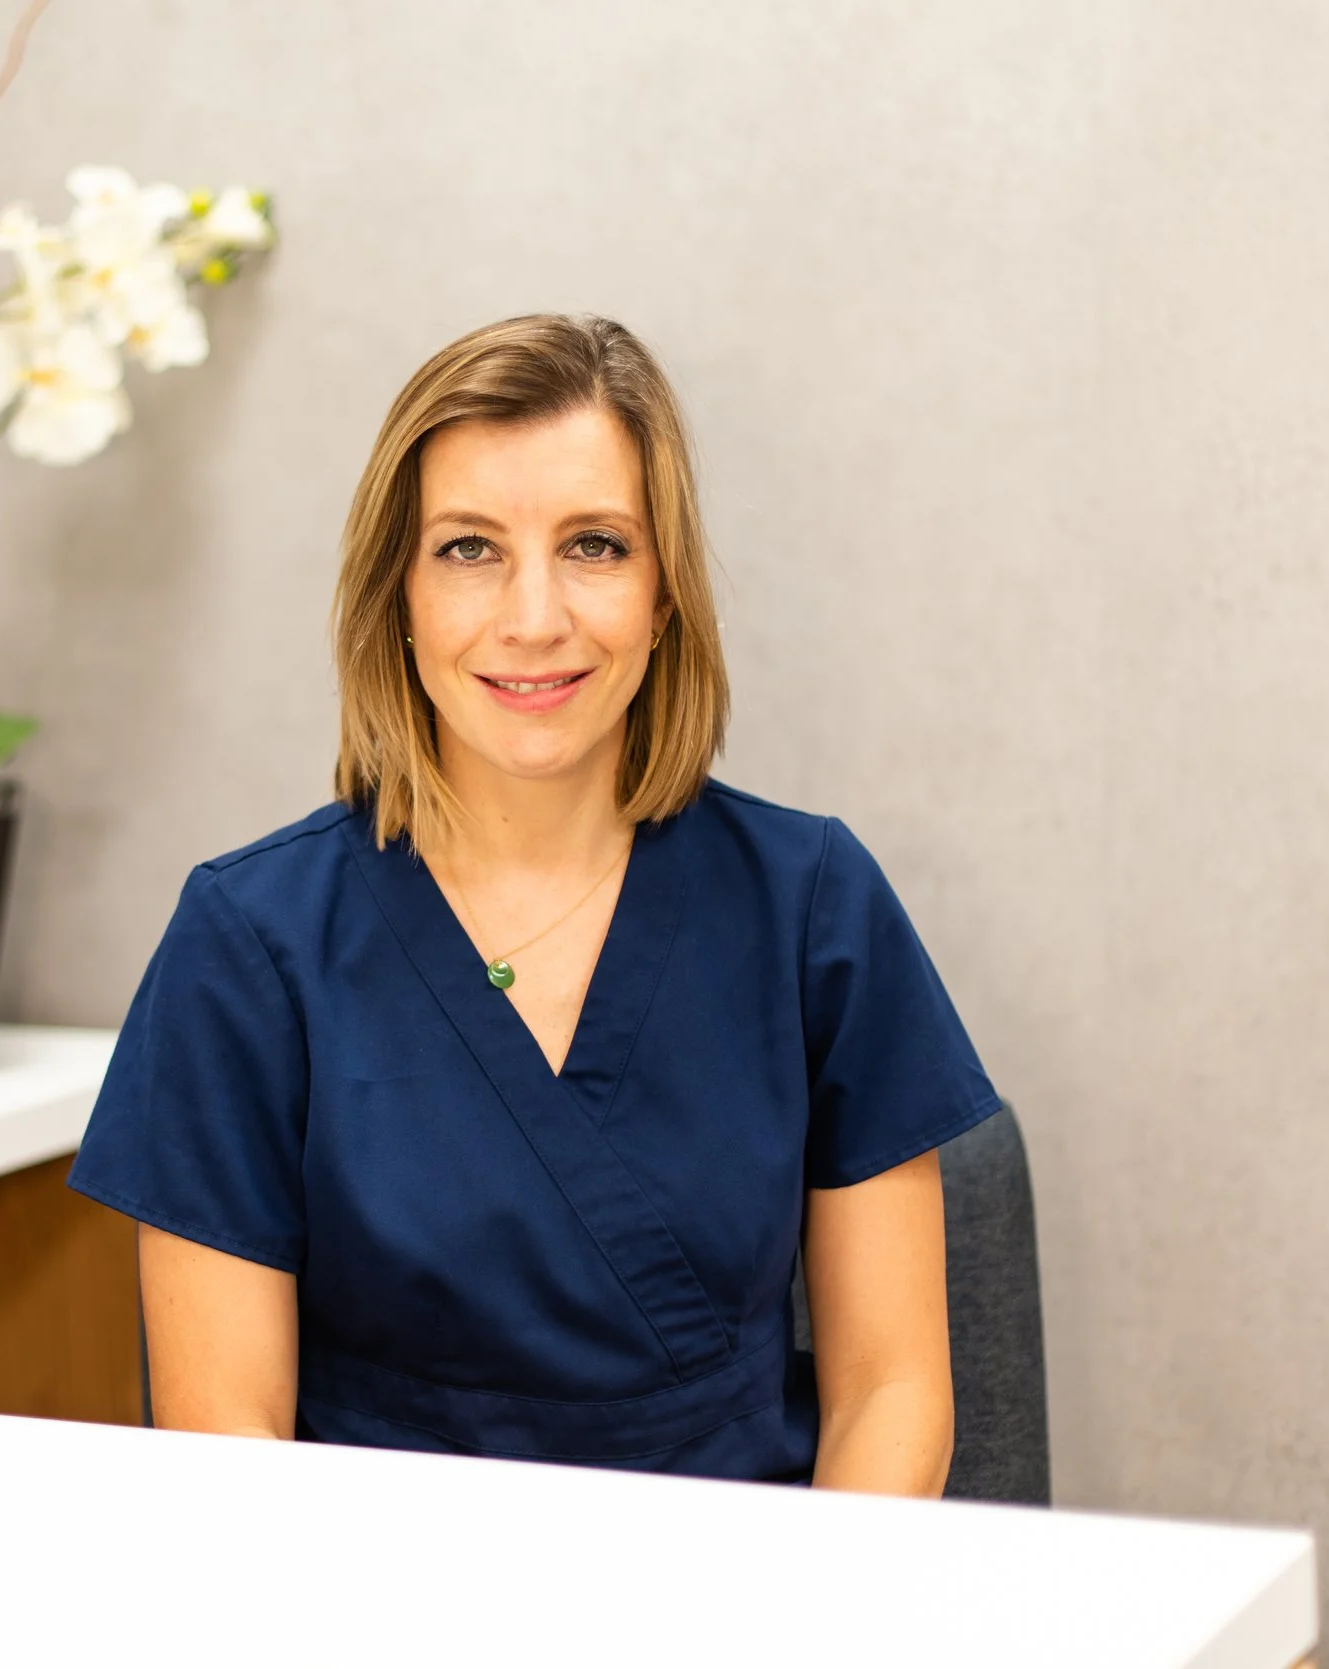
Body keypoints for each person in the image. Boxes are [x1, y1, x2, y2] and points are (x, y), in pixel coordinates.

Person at [67, 314, 1001, 1492]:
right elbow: (225, 1446)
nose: (533, 618)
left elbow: (890, 1392)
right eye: (468, 548)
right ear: (398, 597)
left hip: (752, 1582)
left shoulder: (813, 905)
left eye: (595, 545)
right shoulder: (249, 943)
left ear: (663, 595)